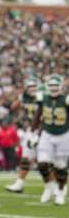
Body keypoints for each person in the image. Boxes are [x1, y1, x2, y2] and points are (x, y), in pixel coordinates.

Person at [31, 74, 69, 205]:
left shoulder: (66, 100)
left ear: (61, 86)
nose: (53, 88)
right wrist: (33, 133)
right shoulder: (43, 98)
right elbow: (38, 115)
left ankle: (60, 191)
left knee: (60, 166)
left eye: (55, 86)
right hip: (47, 134)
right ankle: (49, 186)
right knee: (42, 163)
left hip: (63, 134)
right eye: (51, 86)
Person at [6, 78, 41, 193]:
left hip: (43, 131)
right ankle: (19, 184)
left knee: (46, 160)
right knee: (25, 158)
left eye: (34, 87)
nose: (32, 89)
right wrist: (20, 97)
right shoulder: (24, 98)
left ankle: (57, 186)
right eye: (30, 87)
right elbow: (12, 107)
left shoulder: (42, 97)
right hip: (30, 130)